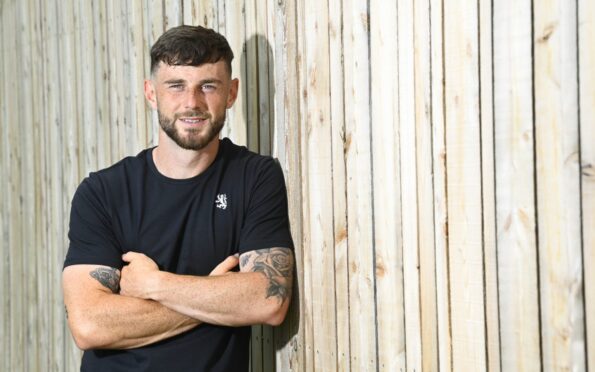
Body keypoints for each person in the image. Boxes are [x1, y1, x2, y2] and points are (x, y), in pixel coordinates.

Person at [62, 25, 294, 372]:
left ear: (231, 93)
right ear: (151, 93)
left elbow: (267, 300)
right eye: (176, 86)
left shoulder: (254, 178)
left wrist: (156, 285)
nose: (192, 103)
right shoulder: (103, 192)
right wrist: (216, 295)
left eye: (208, 86)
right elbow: (90, 324)